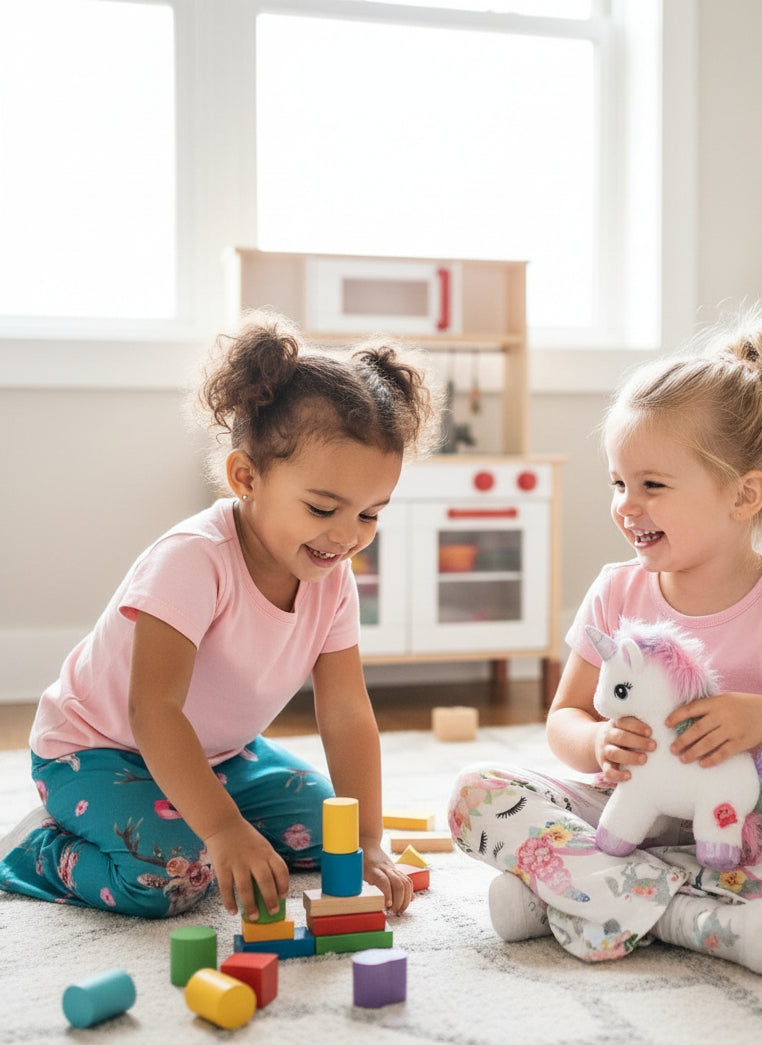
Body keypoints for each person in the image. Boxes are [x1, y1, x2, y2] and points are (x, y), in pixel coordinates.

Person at [448, 312, 762, 975]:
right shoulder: (615, 590)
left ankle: (580, 896)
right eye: (618, 482)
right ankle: (691, 916)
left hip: (743, 827)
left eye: (652, 485)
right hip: (623, 813)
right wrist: (596, 743)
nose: (626, 505)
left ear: (744, 495)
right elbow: (564, 719)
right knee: (477, 792)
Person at [0, 314, 437, 921]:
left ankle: (210, 814)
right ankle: (34, 851)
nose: (346, 536)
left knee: (323, 832)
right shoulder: (192, 561)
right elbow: (152, 711)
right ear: (246, 478)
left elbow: (344, 710)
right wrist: (224, 830)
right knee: (173, 877)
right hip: (98, 751)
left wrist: (365, 839)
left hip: (221, 756)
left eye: (369, 515)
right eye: (322, 508)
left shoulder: (331, 577)